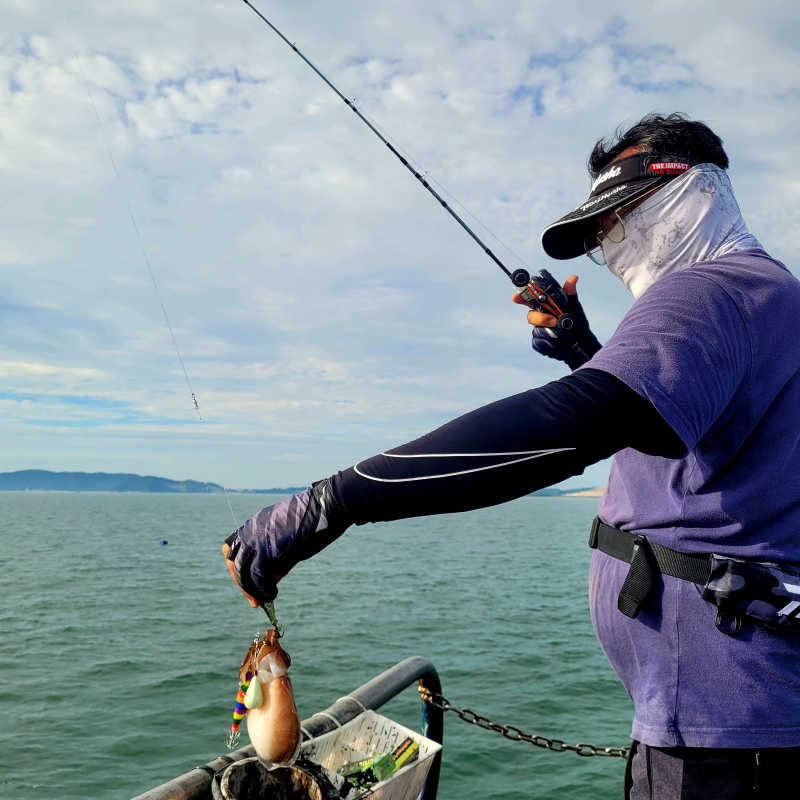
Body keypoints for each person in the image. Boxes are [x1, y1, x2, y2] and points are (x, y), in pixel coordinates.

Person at [222, 112, 800, 798]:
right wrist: (590, 353)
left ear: (695, 189)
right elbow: (696, 441)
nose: (609, 242)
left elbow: (572, 428)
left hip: (725, 732)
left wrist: (332, 502)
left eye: (621, 213)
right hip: (742, 717)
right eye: (597, 233)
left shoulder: (713, 288)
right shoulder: (768, 293)